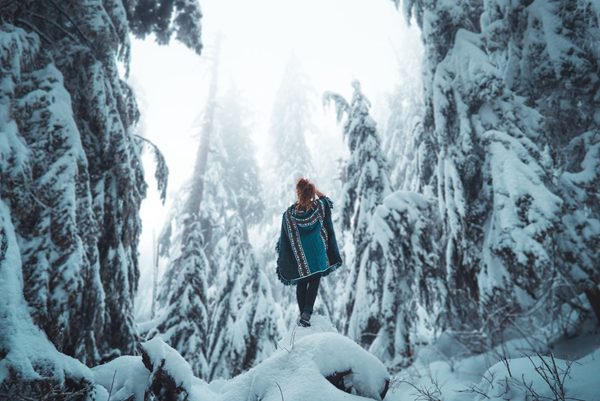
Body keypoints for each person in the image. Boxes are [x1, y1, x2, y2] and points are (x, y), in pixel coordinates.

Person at [276, 178, 343, 327]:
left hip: (301, 258)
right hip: (317, 252)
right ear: (311, 192)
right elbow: (327, 201)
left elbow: (285, 237)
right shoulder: (318, 207)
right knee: (314, 280)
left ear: (298, 192)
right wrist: (316, 191)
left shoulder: (289, 214)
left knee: (302, 281)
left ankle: (302, 316)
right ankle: (307, 313)